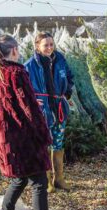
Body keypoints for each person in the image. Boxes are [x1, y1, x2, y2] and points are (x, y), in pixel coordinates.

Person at [0, 35, 71, 210]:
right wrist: (43, 135)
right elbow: (30, 108)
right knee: (39, 182)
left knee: (19, 179)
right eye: (18, 48)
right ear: (13, 50)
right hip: (24, 139)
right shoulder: (16, 73)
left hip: (5, 141)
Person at [25, 32, 74, 193]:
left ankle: (59, 179)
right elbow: (23, 87)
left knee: (58, 142)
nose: (49, 48)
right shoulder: (30, 65)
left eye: (51, 44)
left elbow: (69, 77)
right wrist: (31, 101)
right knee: (44, 144)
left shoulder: (60, 60)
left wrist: (66, 94)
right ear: (37, 46)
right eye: (45, 45)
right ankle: (46, 182)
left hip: (58, 106)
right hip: (42, 110)